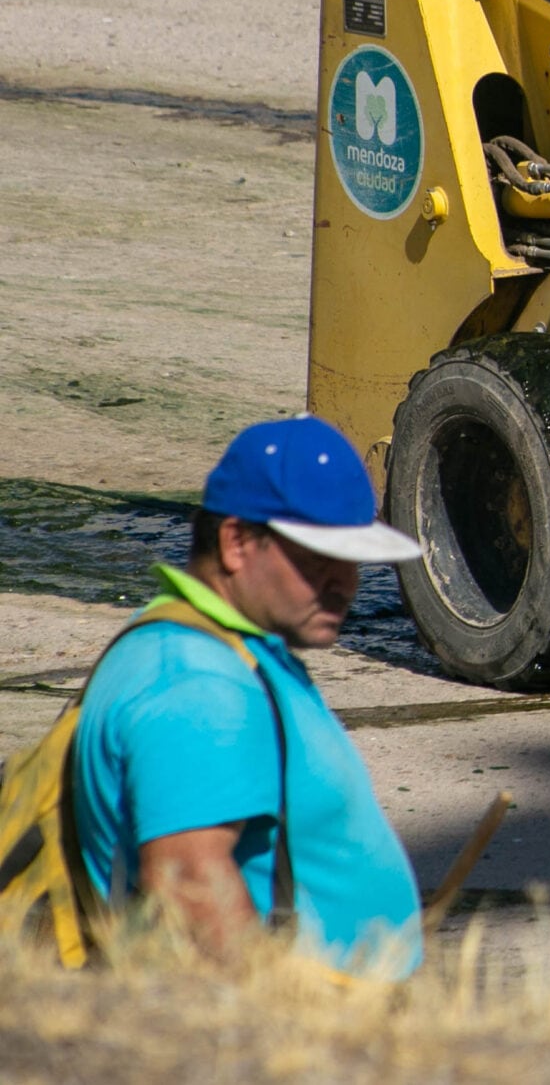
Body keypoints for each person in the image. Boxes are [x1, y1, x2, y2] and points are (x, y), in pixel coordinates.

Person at [71, 415, 427, 976]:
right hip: (285, 1037)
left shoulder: (217, 649)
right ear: (236, 542)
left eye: (353, 559)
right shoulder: (196, 682)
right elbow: (189, 882)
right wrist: (278, 1015)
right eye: (318, 558)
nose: (344, 582)